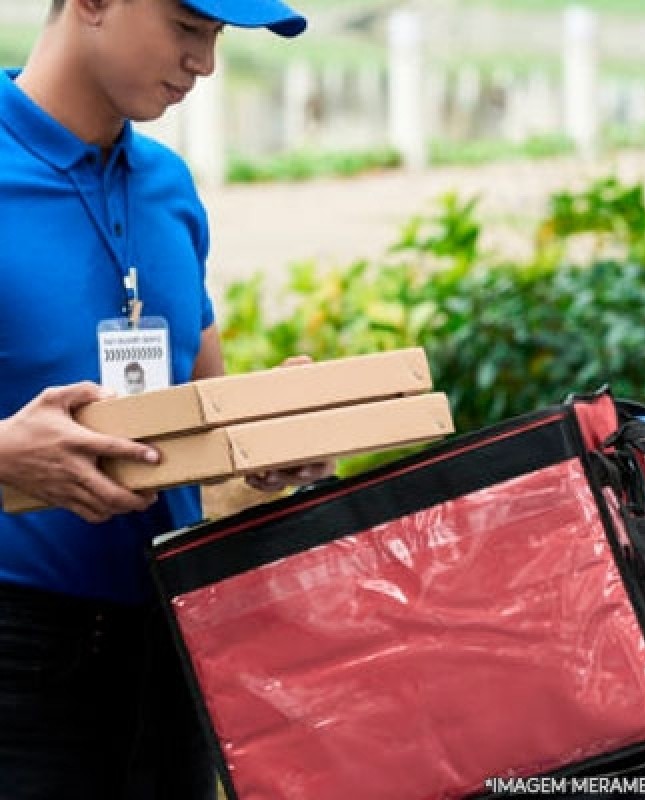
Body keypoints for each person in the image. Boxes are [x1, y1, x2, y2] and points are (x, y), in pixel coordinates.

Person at [0, 0, 327, 797]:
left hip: (173, 644)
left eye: (215, 38)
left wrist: (272, 444)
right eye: (188, 28)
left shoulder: (170, 186)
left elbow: (206, 418)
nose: (204, 64)